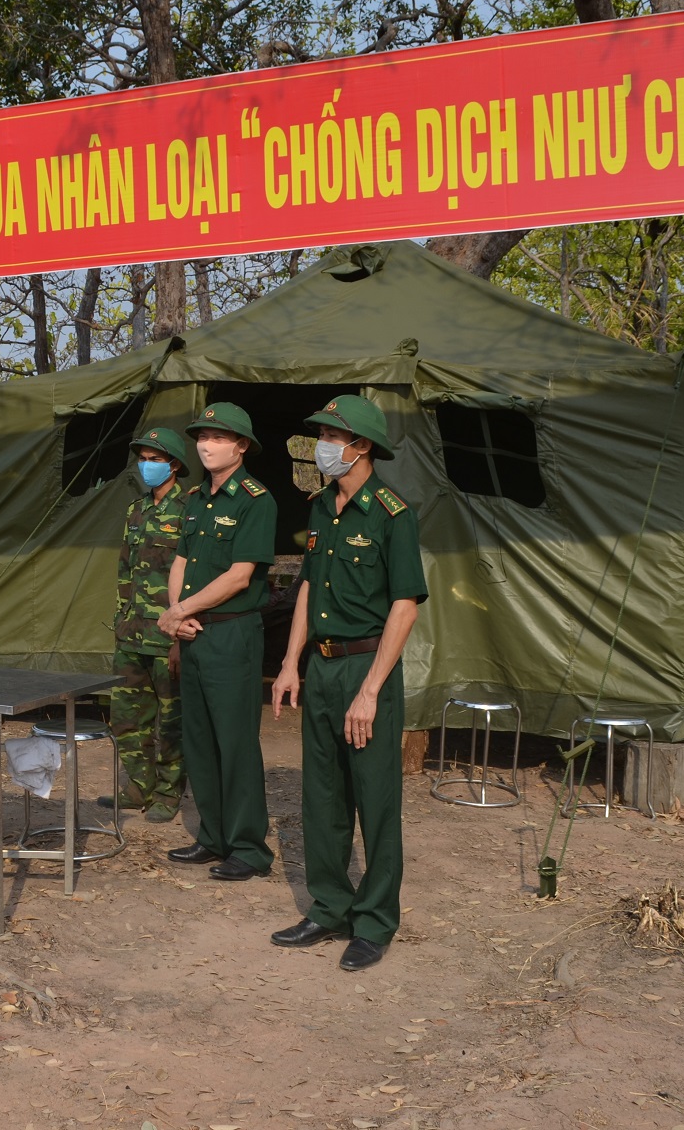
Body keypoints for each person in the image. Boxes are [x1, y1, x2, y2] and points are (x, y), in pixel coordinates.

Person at [270, 395, 426, 972]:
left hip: (367, 668)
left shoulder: (391, 513)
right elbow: (308, 588)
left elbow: (405, 607)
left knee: (376, 800)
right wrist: (291, 662)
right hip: (324, 666)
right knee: (324, 795)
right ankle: (329, 906)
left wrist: (370, 691)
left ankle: (375, 922)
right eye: (320, 435)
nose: (322, 447)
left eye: (332, 436)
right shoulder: (320, 509)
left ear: (361, 446)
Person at [156, 402, 277, 882]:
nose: (206, 445)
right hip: (195, 634)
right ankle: (214, 836)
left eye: (219, 437)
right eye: (202, 436)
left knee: (236, 743)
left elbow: (240, 576)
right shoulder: (196, 498)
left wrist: (181, 611)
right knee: (200, 740)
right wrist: (178, 618)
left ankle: (249, 848)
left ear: (241, 446)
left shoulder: (255, 499)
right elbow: (181, 562)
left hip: (231, 633)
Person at [108, 427, 189, 823]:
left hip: (167, 635)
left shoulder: (190, 509)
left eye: (155, 460)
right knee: (126, 716)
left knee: (172, 720)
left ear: (174, 465)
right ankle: (137, 787)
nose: (147, 465)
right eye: (143, 458)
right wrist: (123, 617)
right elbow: (125, 568)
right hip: (131, 633)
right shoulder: (135, 510)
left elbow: (194, 577)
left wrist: (180, 634)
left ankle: (168, 792)